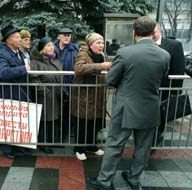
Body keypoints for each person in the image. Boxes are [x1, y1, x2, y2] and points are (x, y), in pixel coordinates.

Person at [86, 16, 170, 190]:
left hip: (126, 107)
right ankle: (133, 178)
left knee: (115, 145)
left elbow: (111, 79)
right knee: (143, 147)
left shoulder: (125, 53)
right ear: (153, 34)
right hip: (150, 107)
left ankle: (104, 181)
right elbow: (162, 80)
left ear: (134, 32)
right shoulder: (164, 55)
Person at [72, 32, 111, 161]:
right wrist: (100, 66)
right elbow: (79, 68)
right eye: (98, 43)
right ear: (90, 44)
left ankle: (91, 146)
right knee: (83, 123)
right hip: (85, 96)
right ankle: (79, 148)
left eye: (102, 43)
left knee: (94, 123)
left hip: (98, 96)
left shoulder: (103, 56)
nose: (101, 46)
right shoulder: (83, 54)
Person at [0, 24, 31, 159]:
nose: (20, 40)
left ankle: (21, 145)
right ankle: (8, 149)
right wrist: (24, 68)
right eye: (17, 37)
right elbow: (3, 73)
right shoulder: (2, 54)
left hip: (21, 91)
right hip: (10, 93)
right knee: (10, 122)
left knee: (20, 121)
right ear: (8, 40)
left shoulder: (19, 53)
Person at [152, 23, 185, 142]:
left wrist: (174, 92)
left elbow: (179, 70)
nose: (152, 35)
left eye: (154, 32)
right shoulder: (144, 44)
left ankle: (155, 137)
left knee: (161, 115)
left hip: (165, 89)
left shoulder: (174, 45)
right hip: (147, 89)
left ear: (160, 31)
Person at [30, 37, 63, 154]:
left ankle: (53, 140)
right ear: (41, 49)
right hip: (44, 96)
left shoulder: (55, 60)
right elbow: (34, 80)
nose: (52, 47)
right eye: (48, 45)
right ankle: (43, 143)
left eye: (52, 45)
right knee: (44, 119)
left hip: (55, 94)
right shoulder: (35, 63)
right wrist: (44, 92)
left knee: (54, 118)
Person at [54, 27, 79, 142]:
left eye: (68, 35)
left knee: (67, 114)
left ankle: (64, 136)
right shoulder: (51, 48)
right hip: (54, 86)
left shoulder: (75, 49)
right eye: (64, 35)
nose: (66, 37)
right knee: (54, 113)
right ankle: (54, 137)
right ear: (58, 36)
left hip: (69, 86)